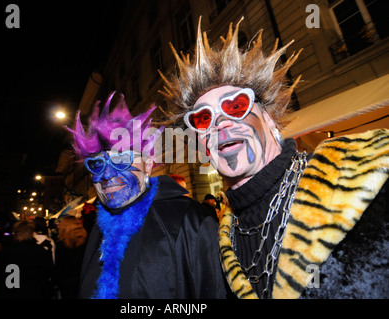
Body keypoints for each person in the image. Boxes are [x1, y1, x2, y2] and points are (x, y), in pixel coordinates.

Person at [159, 17, 389, 299]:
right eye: (204, 118)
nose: (220, 123)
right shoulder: (222, 238)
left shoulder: (363, 172)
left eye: (235, 105)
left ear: (269, 119)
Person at [66, 92, 229, 299]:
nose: (106, 175)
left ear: (148, 166)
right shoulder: (100, 226)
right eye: (97, 164)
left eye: (122, 159)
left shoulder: (187, 219)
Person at [0, 220, 54, 299]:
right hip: (33, 293)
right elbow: (48, 272)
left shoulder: (5, 252)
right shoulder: (40, 252)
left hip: (10, 293)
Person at [54, 216, 87, 299]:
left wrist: (56, 282)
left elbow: (59, 265)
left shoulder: (61, 243)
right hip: (83, 279)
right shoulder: (85, 240)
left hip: (66, 282)